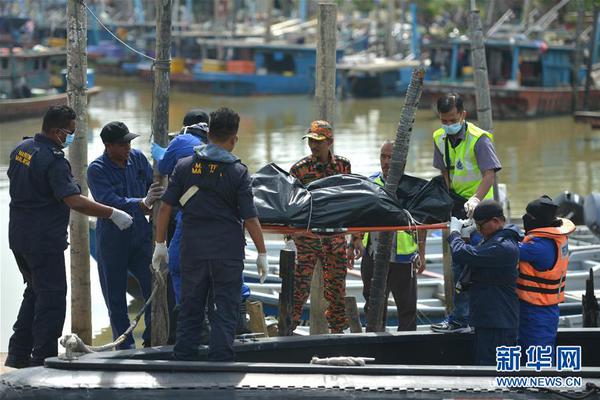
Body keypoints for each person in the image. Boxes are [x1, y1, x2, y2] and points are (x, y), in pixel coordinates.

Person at [6, 106, 133, 368]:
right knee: (51, 298)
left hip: (19, 236)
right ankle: (43, 359)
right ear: (56, 131)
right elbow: (75, 201)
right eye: (70, 133)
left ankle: (18, 353)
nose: (72, 138)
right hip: (43, 240)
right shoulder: (53, 160)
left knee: (34, 292)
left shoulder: (22, 149)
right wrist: (112, 213)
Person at [152, 107, 270, 361]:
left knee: (190, 308)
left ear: (208, 135)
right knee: (224, 311)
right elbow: (250, 218)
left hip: (192, 251)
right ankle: (222, 364)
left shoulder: (184, 167)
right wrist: (262, 252)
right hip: (227, 254)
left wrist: (160, 244)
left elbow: (165, 208)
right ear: (233, 139)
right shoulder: (238, 172)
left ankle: (183, 359)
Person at [87, 121, 164, 349]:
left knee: (154, 288)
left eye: (129, 141)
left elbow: (154, 184)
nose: (127, 147)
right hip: (112, 240)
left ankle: (153, 338)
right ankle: (124, 346)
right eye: (122, 144)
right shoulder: (97, 169)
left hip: (140, 237)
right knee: (116, 299)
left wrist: (154, 200)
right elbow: (108, 201)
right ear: (108, 145)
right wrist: (141, 203)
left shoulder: (138, 159)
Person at [430, 92, 502, 334]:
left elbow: (489, 174)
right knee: (460, 268)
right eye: (444, 121)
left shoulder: (479, 139)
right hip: (457, 206)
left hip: (481, 208)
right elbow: (445, 173)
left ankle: (471, 319)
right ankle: (461, 319)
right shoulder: (439, 138)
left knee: (477, 267)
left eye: (452, 119)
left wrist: (475, 199)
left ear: (463, 115)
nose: (448, 125)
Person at [289, 120, 360, 333]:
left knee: (337, 290)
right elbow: (290, 204)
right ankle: (288, 330)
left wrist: (356, 237)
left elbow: (352, 202)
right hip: (308, 238)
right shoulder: (299, 170)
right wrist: (293, 236)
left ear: (330, 142)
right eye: (311, 140)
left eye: (318, 141)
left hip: (335, 237)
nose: (313, 145)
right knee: (299, 290)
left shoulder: (343, 166)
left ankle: (337, 333)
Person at [361, 140, 426, 331]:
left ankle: (407, 352)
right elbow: (360, 215)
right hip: (373, 255)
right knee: (373, 307)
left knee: (407, 310)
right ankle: (374, 345)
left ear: (402, 161)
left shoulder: (413, 188)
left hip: (403, 259)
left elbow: (423, 223)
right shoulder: (370, 184)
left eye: (391, 157)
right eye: (383, 156)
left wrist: (421, 253)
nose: (387, 161)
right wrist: (354, 242)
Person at [447, 200, 519, 365]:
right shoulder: (494, 239)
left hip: (498, 322)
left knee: (494, 372)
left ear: (495, 221)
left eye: (480, 227)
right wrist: (466, 234)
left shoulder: (503, 247)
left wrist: (454, 234)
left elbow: (462, 254)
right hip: (487, 319)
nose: (479, 231)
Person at [152, 109, 210, 304]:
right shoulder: (217, 144)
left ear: (185, 127)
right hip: (219, 217)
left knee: (177, 267)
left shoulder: (180, 141)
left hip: (188, 214)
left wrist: (160, 244)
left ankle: (183, 313)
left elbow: (163, 168)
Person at [517, 195, 573, 357]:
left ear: (537, 220)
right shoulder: (556, 238)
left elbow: (508, 250)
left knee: (539, 357)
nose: (526, 219)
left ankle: (541, 382)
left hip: (536, 311)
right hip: (543, 308)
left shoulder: (539, 247)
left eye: (530, 217)